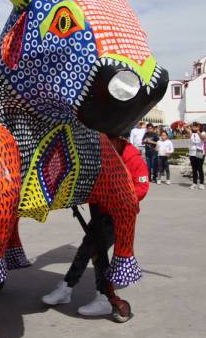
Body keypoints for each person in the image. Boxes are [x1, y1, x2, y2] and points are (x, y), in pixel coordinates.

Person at [42, 135, 149, 316]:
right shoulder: (103, 154)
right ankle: (68, 288)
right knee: (88, 249)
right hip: (100, 212)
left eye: (108, 141)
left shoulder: (134, 159)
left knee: (95, 251)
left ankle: (101, 297)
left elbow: (141, 189)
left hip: (119, 216)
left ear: (118, 139)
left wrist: (115, 197)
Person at [186, 122, 205, 190]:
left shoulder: (202, 132)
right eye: (194, 126)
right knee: (194, 169)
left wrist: (198, 132)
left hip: (199, 151)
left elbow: (203, 139)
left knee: (200, 168)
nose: (194, 127)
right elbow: (185, 126)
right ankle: (194, 183)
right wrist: (192, 123)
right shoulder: (191, 133)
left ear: (199, 127)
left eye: (196, 126)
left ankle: (201, 184)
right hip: (192, 152)